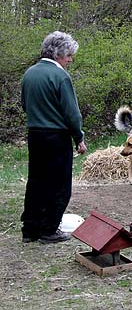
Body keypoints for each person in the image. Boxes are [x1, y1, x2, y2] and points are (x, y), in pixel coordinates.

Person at [20, 31, 87, 244]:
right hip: (56, 137)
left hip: (35, 135)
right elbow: (72, 113)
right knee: (59, 185)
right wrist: (79, 137)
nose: (70, 60)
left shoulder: (29, 73)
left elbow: (24, 104)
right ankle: (49, 230)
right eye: (68, 55)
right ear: (58, 53)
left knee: (37, 182)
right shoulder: (60, 76)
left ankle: (30, 230)